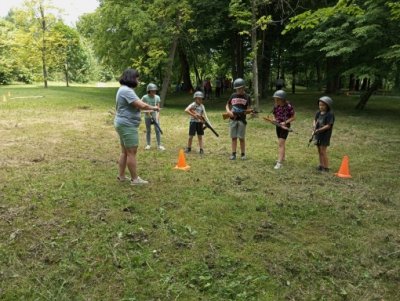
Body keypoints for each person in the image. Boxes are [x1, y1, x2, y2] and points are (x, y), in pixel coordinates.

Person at [114, 68, 159, 185]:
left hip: (122, 123)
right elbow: (140, 104)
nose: (138, 81)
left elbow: (135, 105)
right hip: (127, 125)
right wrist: (154, 108)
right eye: (137, 78)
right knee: (131, 152)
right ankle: (135, 179)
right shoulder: (127, 91)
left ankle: (121, 176)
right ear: (132, 78)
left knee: (125, 151)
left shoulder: (123, 89)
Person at [225, 78, 252, 160]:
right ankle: (233, 154)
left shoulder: (247, 97)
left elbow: (248, 109)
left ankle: (243, 154)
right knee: (233, 137)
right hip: (233, 119)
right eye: (237, 89)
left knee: (241, 138)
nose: (239, 90)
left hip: (242, 120)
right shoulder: (233, 95)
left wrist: (248, 112)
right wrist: (228, 111)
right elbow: (227, 104)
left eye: (241, 88)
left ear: (244, 87)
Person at [271, 90, 295, 169]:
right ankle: (283, 158)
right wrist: (274, 120)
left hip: (285, 126)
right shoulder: (276, 106)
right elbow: (274, 115)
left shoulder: (288, 106)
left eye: (278, 99)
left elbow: (293, 117)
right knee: (281, 143)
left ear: (283, 99)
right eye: (275, 99)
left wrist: (285, 122)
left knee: (281, 144)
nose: (276, 101)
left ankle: (279, 163)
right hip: (278, 126)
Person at [313, 96, 335, 172]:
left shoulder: (330, 114)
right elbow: (315, 120)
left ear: (328, 105)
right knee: (319, 150)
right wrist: (314, 127)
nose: (321, 107)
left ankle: (326, 167)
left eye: (323, 105)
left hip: (325, 135)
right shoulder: (318, 112)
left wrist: (319, 130)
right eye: (320, 105)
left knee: (323, 150)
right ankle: (321, 165)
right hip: (318, 134)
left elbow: (328, 125)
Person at [141, 83, 165, 151]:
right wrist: (147, 112)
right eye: (152, 91)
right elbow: (141, 105)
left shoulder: (157, 97)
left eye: (155, 91)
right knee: (148, 130)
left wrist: (157, 117)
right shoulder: (145, 97)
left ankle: (159, 145)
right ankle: (148, 144)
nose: (154, 92)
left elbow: (158, 108)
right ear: (149, 91)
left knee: (157, 130)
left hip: (155, 115)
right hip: (147, 116)